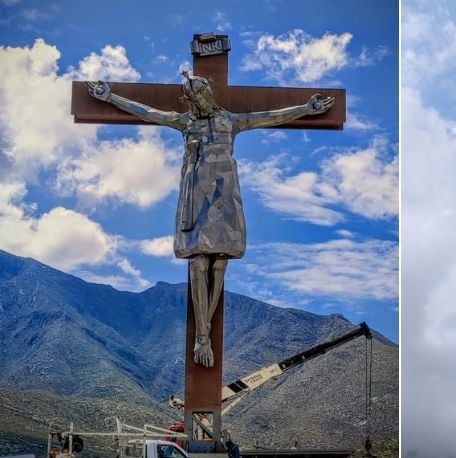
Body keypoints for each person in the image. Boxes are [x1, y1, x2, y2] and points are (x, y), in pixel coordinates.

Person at [86, 74, 334, 368]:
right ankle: (202, 337)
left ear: (209, 93)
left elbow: (269, 117)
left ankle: (205, 333)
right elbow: (148, 112)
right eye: (193, 97)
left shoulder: (230, 121)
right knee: (199, 262)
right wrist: (110, 98)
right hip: (195, 196)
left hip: (225, 196)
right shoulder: (186, 123)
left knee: (220, 262)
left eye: (201, 94)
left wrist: (305, 109)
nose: (199, 101)